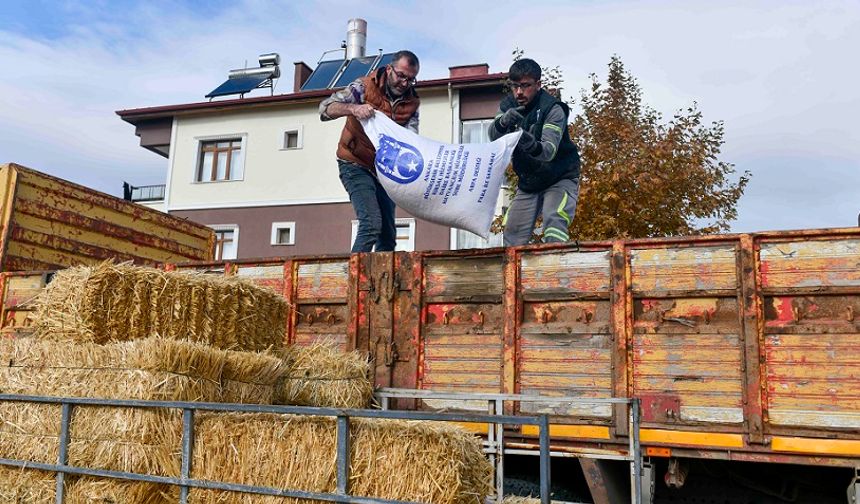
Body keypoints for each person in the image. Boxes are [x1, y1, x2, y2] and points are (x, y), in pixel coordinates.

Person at [320, 50, 420, 252]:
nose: (404, 83)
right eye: (401, 76)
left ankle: (382, 273)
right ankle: (354, 272)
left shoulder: (412, 103)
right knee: (371, 224)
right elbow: (325, 108)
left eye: (410, 79)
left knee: (388, 236)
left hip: (383, 170)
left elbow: (410, 138)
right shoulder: (363, 86)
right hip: (354, 163)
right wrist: (354, 109)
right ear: (389, 69)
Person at [488, 58, 581, 246]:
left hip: (559, 176)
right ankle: (514, 266)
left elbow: (548, 152)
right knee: (513, 233)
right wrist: (503, 122)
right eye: (514, 86)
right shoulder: (508, 105)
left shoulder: (553, 109)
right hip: (529, 181)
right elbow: (493, 136)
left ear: (538, 84)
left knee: (554, 220)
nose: (519, 92)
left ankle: (556, 261)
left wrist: (530, 143)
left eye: (525, 86)